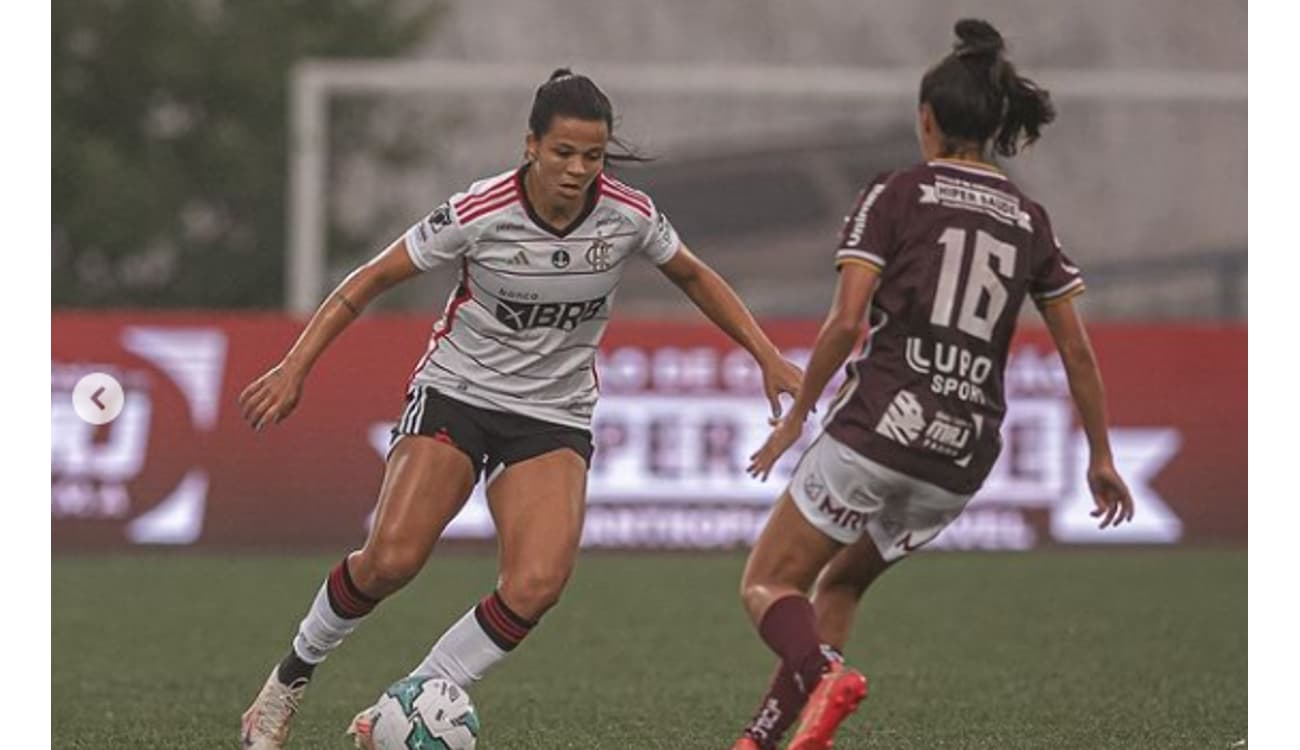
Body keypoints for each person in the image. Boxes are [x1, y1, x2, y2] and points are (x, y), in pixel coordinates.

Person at [237, 68, 803, 749]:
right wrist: (295, 366)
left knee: (537, 583)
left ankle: (410, 698)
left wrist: (765, 354)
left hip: (553, 415)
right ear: (530, 144)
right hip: (459, 393)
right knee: (390, 559)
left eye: (592, 156)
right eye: (563, 152)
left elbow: (694, 275)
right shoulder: (480, 212)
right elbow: (369, 280)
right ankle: (287, 682)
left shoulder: (627, 215)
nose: (577, 170)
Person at [729, 20, 1136, 750]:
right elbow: (1076, 349)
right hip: (960, 458)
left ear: (928, 119)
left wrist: (797, 416)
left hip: (879, 429)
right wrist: (1101, 457)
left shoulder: (897, 194)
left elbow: (846, 322)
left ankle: (821, 676)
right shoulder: (1028, 219)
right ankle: (763, 740)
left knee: (767, 585)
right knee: (843, 584)